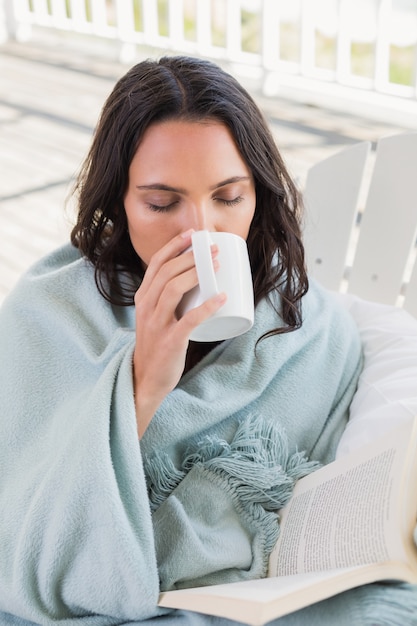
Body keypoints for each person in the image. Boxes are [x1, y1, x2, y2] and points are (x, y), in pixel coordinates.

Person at [0, 55, 415, 626]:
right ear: (119, 202)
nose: (201, 232)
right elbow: (26, 541)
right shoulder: (49, 312)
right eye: (161, 203)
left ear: (259, 195)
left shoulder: (306, 326)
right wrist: (142, 382)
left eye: (228, 197)